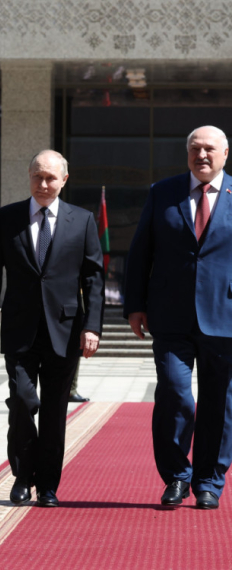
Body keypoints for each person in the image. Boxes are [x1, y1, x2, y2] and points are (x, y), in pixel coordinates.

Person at [0, 149, 104, 507]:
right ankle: (21, 475)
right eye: (38, 176)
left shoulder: (81, 220)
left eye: (51, 178)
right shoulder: (7, 218)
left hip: (65, 329)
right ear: (29, 177)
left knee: (53, 410)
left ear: (64, 180)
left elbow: (93, 278)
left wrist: (92, 326)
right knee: (21, 400)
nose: (43, 184)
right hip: (19, 328)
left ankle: (47, 484)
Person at [125, 125, 232, 510]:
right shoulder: (163, 192)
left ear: (225, 154)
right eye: (195, 149)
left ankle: (209, 482)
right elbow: (141, 253)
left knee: (220, 402)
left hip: (225, 316)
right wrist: (134, 304)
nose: (202, 155)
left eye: (210, 149)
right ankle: (176, 476)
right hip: (170, 315)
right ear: (187, 153)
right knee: (174, 393)